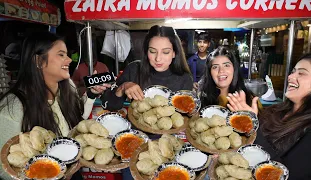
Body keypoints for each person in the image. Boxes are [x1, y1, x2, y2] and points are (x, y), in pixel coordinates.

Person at [0, 32, 108, 179]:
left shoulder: (67, 87)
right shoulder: (12, 109)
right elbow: (3, 169)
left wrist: (91, 95)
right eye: (61, 55)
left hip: (73, 173)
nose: (69, 60)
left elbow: (74, 123)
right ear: (39, 61)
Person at [252, 53, 311, 180]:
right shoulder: (276, 110)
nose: (290, 76)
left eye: (301, 73)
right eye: (293, 71)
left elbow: (286, 175)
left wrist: (252, 126)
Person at [100, 25, 193, 111]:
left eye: (165, 52)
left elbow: (185, 117)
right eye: (152, 51)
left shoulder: (184, 78)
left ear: (174, 53)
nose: (158, 58)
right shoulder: (134, 69)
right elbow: (108, 105)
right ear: (146, 51)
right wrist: (123, 87)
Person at [199, 46, 259, 114]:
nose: (221, 71)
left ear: (234, 69)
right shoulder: (201, 99)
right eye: (215, 67)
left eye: (226, 65)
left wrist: (251, 118)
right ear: (210, 73)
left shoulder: (249, 99)